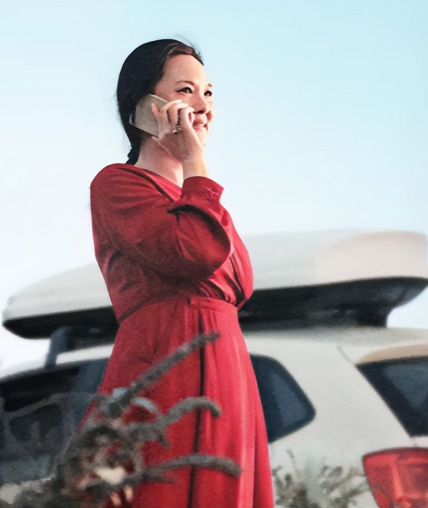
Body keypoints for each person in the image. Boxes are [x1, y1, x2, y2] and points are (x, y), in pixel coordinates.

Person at [89, 39, 274, 507]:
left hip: (227, 365)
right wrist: (195, 164)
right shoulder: (118, 184)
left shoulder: (200, 197)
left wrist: (196, 175)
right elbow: (194, 252)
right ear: (147, 105)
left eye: (208, 93)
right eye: (186, 91)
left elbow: (239, 285)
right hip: (166, 361)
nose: (203, 106)